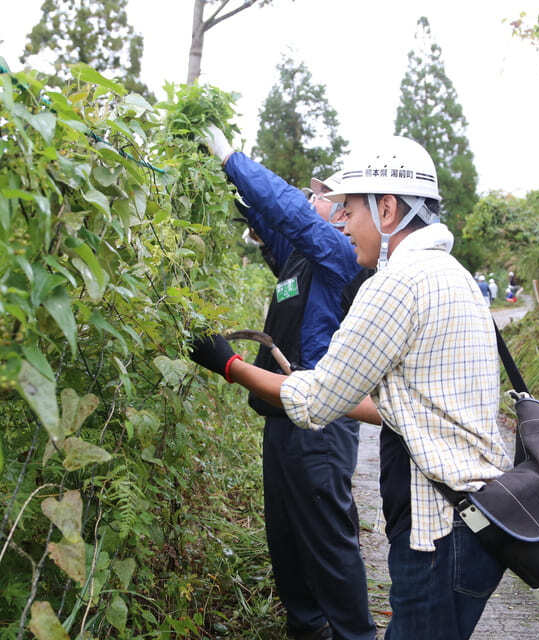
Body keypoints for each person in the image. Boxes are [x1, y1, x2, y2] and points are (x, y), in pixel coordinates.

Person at [189, 136, 510, 640]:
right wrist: (226, 185)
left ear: (387, 208)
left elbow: (317, 401)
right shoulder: (452, 276)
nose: (342, 221)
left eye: (349, 209)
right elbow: (407, 404)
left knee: (330, 541)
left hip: (438, 527)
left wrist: (228, 365)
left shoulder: (395, 281)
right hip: (470, 522)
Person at [201, 125, 376, 640]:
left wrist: (234, 158)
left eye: (325, 196)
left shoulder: (339, 255)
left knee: (325, 537)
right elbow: (271, 216)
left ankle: (353, 634)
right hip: (282, 416)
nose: (313, 199)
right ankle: (308, 628)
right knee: (286, 535)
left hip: (321, 426)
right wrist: (226, 180)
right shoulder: (299, 256)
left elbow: (291, 213)